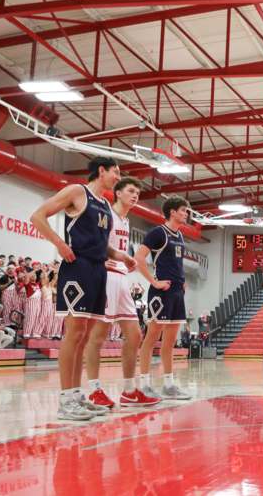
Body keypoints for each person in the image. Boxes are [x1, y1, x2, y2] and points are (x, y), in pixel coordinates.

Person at [30, 156, 136, 420]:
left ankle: (77, 395)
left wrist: (121, 256)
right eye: (116, 172)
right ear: (101, 171)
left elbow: (103, 245)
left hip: (99, 269)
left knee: (84, 337)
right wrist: (59, 243)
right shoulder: (78, 192)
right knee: (74, 333)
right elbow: (37, 216)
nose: (118, 177)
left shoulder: (104, 205)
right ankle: (65, 400)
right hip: (77, 268)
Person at [84, 177, 160, 409]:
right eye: (130, 191)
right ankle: (93, 390)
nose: (135, 195)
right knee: (98, 335)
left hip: (121, 278)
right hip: (105, 275)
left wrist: (127, 262)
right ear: (117, 193)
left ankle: (128, 391)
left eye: (137, 192)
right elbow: (97, 245)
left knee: (135, 334)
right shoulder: (105, 212)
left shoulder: (126, 221)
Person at [135, 195, 193, 401]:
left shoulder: (180, 235)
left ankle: (169, 385)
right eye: (183, 210)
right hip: (161, 292)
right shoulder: (158, 233)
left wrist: (183, 280)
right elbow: (139, 258)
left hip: (177, 292)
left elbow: (175, 262)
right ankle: (144, 384)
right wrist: (153, 281)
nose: (186, 214)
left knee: (170, 341)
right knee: (151, 338)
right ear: (172, 212)